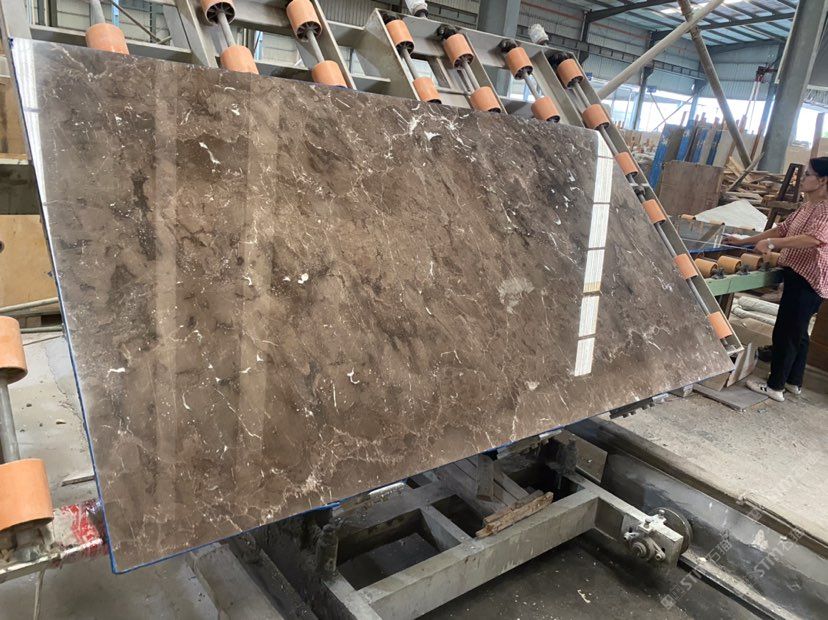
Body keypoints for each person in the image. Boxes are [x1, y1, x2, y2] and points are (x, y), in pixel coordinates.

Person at [724, 156, 828, 402]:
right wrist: (744, 241)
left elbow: (814, 239)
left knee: (786, 333)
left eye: (808, 175)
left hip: (808, 279)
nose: (803, 179)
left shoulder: (825, 209)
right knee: (799, 333)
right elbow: (781, 229)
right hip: (798, 275)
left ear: (823, 180)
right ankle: (793, 381)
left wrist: (772, 244)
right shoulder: (808, 206)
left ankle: (775, 386)